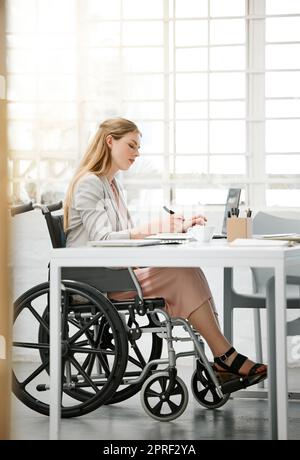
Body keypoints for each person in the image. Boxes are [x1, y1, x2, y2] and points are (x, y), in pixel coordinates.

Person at [64, 117, 267, 379]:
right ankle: (225, 357)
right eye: (132, 146)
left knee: (187, 269)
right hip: (97, 280)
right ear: (110, 141)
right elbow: (103, 241)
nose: (137, 153)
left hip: (115, 272)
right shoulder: (89, 183)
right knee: (182, 274)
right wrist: (152, 227)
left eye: (138, 147)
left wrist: (176, 226)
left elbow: (126, 237)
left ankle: (222, 355)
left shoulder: (113, 186)